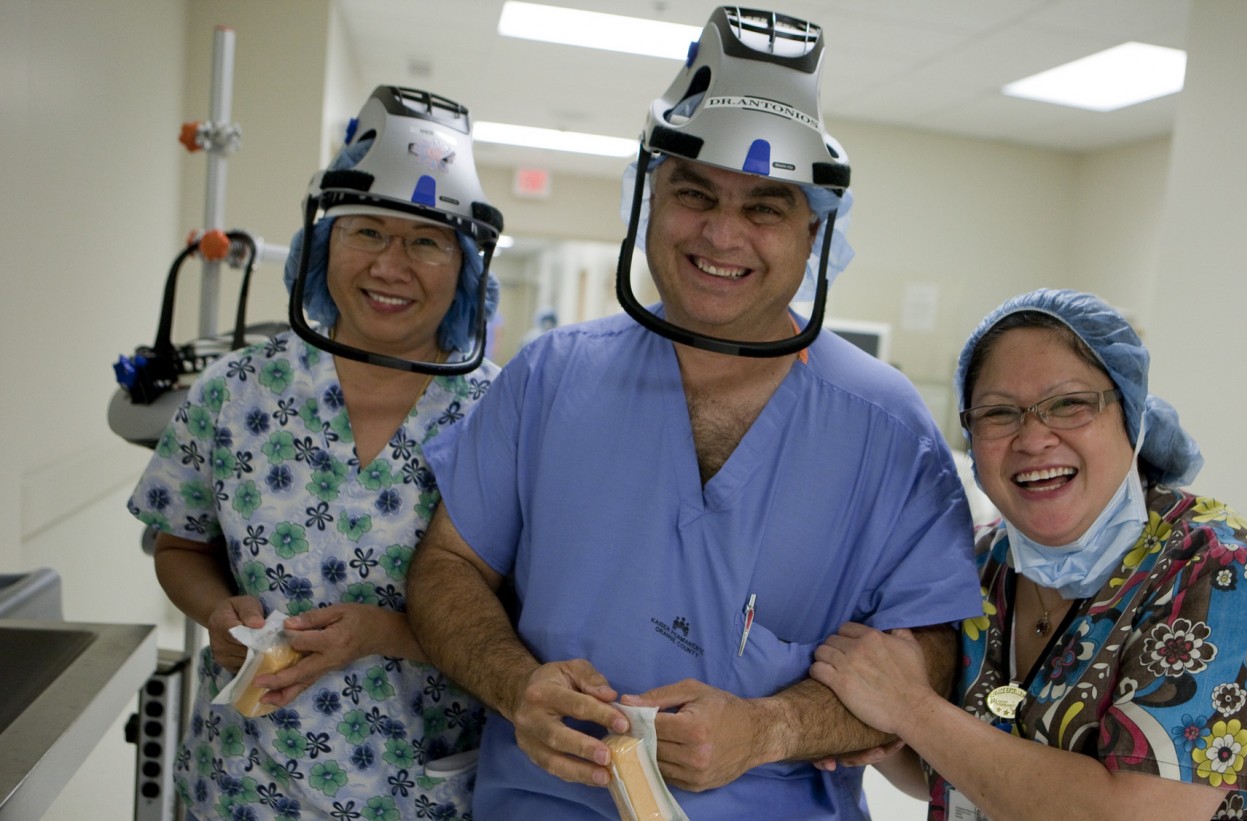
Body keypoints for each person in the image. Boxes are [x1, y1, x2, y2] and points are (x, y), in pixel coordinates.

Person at [406, 7, 984, 819]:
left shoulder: (889, 432)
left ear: (814, 229)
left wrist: (772, 727)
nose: (722, 232)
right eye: (695, 192)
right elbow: (447, 565)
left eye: (766, 207)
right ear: (648, 195)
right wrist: (516, 684)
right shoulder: (549, 377)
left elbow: (933, 656)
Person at [127, 85, 505, 821]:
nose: (390, 265)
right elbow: (178, 543)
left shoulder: (505, 414)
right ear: (322, 244)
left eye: (426, 240)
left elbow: (533, 618)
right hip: (241, 784)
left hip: (416, 791)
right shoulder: (237, 390)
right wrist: (215, 610)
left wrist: (389, 634)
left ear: (464, 267)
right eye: (367, 230)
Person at [811, 288, 1247, 821]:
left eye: (1070, 404)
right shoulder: (983, 567)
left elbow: (1134, 813)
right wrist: (865, 718)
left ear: (1130, 415)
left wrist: (909, 709)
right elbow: (943, 771)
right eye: (998, 413)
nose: (1033, 438)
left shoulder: (1220, 570)